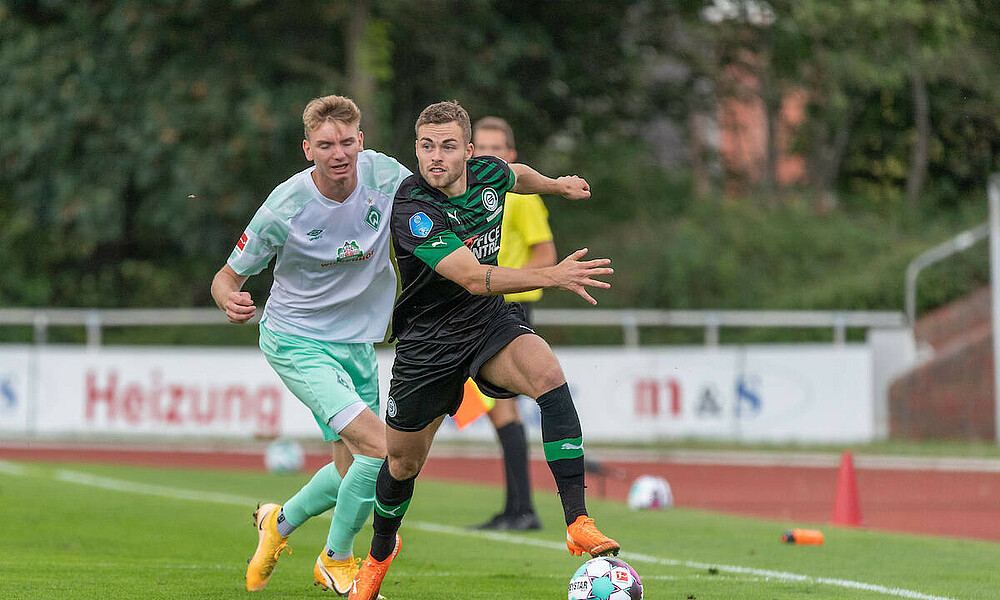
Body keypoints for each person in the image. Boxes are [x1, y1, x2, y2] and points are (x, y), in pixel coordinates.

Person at [349, 101, 619, 600]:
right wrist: (552, 276)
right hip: (427, 344)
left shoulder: (487, 173)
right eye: (426, 146)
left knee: (548, 376)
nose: (435, 157)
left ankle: (578, 519)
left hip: (487, 323)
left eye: (448, 147)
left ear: (467, 152)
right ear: (416, 149)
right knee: (403, 463)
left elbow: (516, 173)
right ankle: (378, 554)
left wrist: (557, 184)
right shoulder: (412, 208)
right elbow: (473, 277)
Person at [211, 95, 411, 595]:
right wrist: (228, 299)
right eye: (326, 144)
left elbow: (450, 187)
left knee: (355, 470)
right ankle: (336, 559)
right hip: (296, 340)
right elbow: (225, 276)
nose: (338, 153)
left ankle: (278, 524)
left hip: (358, 342)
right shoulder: (285, 205)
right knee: (380, 449)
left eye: (347, 141)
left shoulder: (385, 175)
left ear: (360, 141)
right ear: (308, 150)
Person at [467, 116, 557, 532]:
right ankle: (517, 508)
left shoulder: (522, 198)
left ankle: (522, 509)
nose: (488, 154)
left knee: (505, 411)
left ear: (511, 156)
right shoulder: (467, 196)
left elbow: (545, 256)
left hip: (508, 309)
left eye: (496, 148)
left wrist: (499, 277)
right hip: (476, 310)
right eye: (480, 147)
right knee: (498, 413)